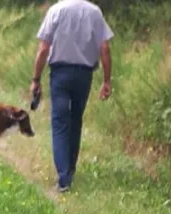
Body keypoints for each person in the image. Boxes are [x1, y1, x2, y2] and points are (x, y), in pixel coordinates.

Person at [30, 0, 114, 193]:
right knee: (76, 120)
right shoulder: (95, 12)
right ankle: (70, 169)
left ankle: (63, 177)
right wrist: (107, 81)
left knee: (59, 122)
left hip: (60, 74)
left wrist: (36, 79)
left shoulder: (56, 10)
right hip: (84, 75)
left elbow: (43, 49)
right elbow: (105, 48)